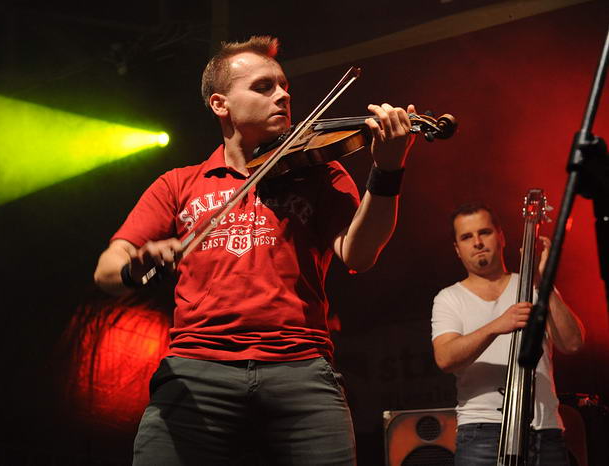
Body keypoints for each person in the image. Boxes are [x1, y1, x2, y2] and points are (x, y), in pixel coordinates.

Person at [94, 35, 417, 465]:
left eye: (284, 86)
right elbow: (107, 270)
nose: (283, 95)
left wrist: (388, 170)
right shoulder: (178, 183)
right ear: (220, 104)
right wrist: (137, 265)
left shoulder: (321, 173)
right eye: (263, 87)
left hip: (300, 368)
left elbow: (359, 254)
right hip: (197, 368)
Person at [431, 202, 585, 466]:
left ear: (501, 237)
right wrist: (497, 325)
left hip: (545, 429)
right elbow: (445, 358)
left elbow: (572, 343)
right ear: (457, 249)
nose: (477, 242)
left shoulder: (532, 285)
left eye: (484, 232)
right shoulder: (449, 298)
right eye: (467, 237)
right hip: (482, 430)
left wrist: (543, 282)